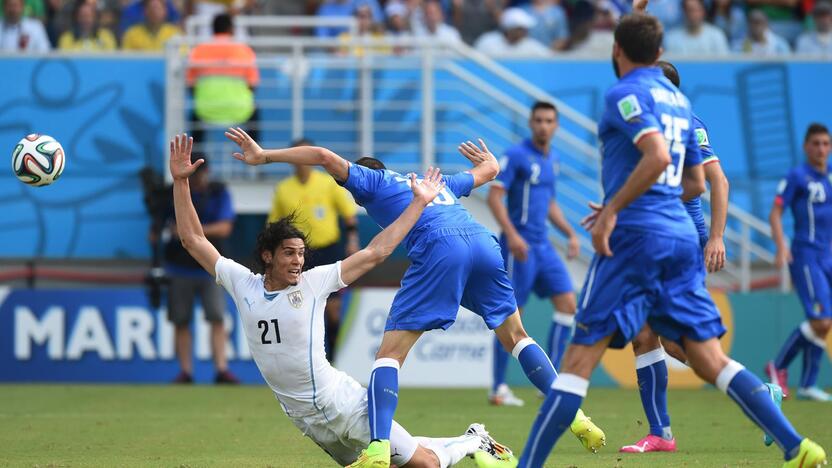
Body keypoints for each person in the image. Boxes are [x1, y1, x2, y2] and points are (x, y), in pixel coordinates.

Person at [473, 13, 827, 468]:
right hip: (680, 237)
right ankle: (797, 445)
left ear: (617, 51)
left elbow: (657, 155)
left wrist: (615, 209)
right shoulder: (680, 104)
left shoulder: (623, 94)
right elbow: (695, 179)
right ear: (659, 54)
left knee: (579, 361)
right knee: (706, 357)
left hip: (637, 238)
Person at [224, 128, 606, 467]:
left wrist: (264, 156)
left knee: (389, 355)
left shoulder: (370, 183)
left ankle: (377, 447)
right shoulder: (432, 181)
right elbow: (489, 172)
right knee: (517, 336)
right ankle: (574, 413)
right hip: (482, 242)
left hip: (441, 248)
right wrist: (491, 163)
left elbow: (323, 157)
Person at [167, 133, 512, 467]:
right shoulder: (244, 285)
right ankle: (463, 439)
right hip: (308, 422)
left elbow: (376, 252)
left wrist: (419, 203)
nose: (298, 261)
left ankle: (474, 440)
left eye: (301, 254)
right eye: (289, 253)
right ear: (267, 256)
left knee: (424, 466)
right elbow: (193, 239)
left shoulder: (315, 283)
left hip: (344, 405)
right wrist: (181, 182)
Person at [617, 59, 737, 454]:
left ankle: (750, 390)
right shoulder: (657, 124)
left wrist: (716, 237)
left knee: (659, 337)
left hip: (677, 237)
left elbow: (713, 181)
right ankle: (661, 433)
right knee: (656, 338)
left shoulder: (688, 122)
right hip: (662, 235)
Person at [486, 101, 580, 407]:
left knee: (568, 304)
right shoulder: (516, 156)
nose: (543, 125)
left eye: (549, 120)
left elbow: (549, 202)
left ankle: (550, 381)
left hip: (544, 246)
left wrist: (569, 232)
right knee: (512, 317)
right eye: (538, 120)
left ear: (556, 125)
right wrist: (512, 235)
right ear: (530, 123)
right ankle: (498, 388)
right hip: (520, 244)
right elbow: (495, 196)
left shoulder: (553, 158)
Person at [268, 138, 360, 362]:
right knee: (299, 306)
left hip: (328, 250)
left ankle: (335, 358)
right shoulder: (283, 189)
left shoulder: (328, 184)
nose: (302, 162)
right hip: (299, 256)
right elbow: (273, 225)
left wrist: (352, 238)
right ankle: (305, 357)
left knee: (333, 309)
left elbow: (349, 214)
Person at [766, 123, 832, 403]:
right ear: (806, 147)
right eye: (816, 143)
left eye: (826, 144)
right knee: (822, 320)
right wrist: (781, 246)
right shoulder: (796, 176)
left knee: (823, 321)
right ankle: (777, 366)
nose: (821, 149)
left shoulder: (829, 177)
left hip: (828, 257)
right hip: (806, 255)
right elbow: (775, 213)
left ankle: (807, 384)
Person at [162, 157, 239, 384]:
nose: (198, 178)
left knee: (217, 317)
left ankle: (221, 368)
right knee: (181, 320)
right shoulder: (173, 192)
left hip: (211, 268)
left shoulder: (218, 192)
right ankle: (186, 371)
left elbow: (225, 227)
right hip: (179, 267)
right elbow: (164, 225)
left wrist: (193, 233)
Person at [186, 13, 259, 150]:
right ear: (232, 29)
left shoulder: (198, 50)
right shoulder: (244, 50)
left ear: (212, 29)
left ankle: (195, 163)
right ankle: (255, 160)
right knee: (256, 114)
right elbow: (253, 85)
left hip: (206, 109)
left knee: (194, 121)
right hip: (240, 110)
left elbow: (190, 85)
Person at [474, 7, 552, 57]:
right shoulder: (487, 41)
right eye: (520, 29)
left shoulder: (531, 45)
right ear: (510, 29)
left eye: (525, 29)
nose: (525, 32)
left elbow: (551, 59)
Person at [664, 0, 730, 55]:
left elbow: (724, 64)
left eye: (697, 10)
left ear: (703, 11)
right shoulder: (671, 38)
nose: (693, 14)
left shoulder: (717, 36)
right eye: (690, 10)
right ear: (683, 12)